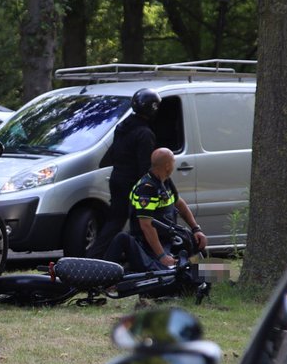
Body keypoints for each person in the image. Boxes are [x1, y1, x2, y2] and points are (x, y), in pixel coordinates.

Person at [104, 147, 207, 271]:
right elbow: (146, 225)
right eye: (173, 161)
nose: (175, 165)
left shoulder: (165, 181)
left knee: (196, 248)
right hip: (149, 246)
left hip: (168, 239)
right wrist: (162, 256)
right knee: (177, 273)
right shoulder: (147, 188)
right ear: (168, 166)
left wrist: (196, 229)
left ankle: (223, 275)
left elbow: (179, 203)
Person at [86, 88, 160, 258]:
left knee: (114, 222)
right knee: (140, 223)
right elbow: (145, 166)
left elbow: (113, 153)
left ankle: (94, 257)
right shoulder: (145, 134)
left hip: (117, 178)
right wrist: (151, 188)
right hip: (133, 184)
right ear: (153, 108)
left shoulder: (122, 127)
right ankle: (141, 259)